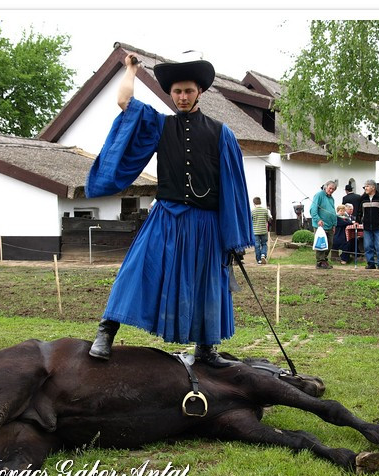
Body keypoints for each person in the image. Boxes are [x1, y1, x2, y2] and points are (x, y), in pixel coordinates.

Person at [85, 54, 253, 367]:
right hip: (166, 218)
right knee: (136, 269)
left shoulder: (222, 133)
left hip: (206, 223)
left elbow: (234, 188)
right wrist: (130, 70)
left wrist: (234, 238)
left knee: (208, 283)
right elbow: (124, 101)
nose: (182, 97)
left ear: (199, 92)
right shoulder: (160, 125)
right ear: (171, 94)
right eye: (177, 92)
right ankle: (106, 331)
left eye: (188, 91)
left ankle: (206, 349)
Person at [357, 179, 379, 270]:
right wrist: (358, 220)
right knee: (367, 246)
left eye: (367, 186)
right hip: (367, 226)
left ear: (373, 187)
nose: (365, 188)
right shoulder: (363, 198)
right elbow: (359, 211)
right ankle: (370, 263)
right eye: (365, 186)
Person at [311, 181, 337, 269]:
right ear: (325, 187)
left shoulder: (331, 198)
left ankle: (324, 259)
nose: (331, 190)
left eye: (333, 189)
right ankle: (320, 261)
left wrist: (334, 224)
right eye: (330, 188)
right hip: (321, 225)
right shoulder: (319, 195)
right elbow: (313, 209)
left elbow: (333, 211)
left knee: (330, 243)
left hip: (330, 225)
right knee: (321, 243)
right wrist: (318, 219)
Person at [251, 197, 271, 264]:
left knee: (257, 245)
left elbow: (251, 220)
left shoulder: (252, 211)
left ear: (254, 203)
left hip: (255, 231)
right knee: (264, 244)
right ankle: (263, 254)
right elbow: (268, 219)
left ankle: (259, 260)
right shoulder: (265, 210)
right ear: (260, 202)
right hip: (263, 230)